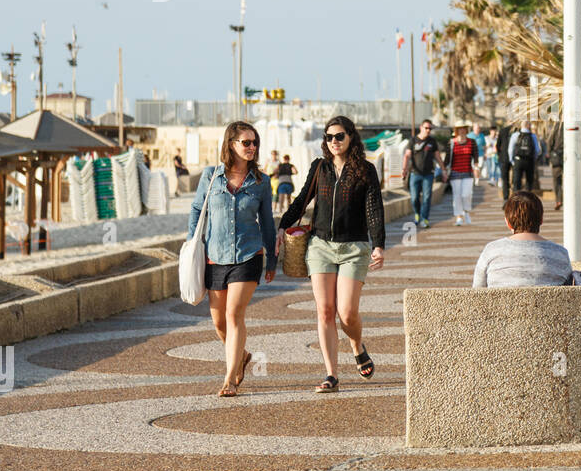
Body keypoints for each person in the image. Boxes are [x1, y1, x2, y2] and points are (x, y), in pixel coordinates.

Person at [279, 116, 386, 392]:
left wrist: (378, 244)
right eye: (329, 137)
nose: (334, 142)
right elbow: (302, 200)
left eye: (339, 136)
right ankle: (331, 375)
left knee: (347, 313)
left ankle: (356, 344)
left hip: (353, 247)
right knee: (325, 310)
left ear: (351, 137)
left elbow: (374, 209)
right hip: (320, 246)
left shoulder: (365, 170)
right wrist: (282, 226)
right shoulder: (320, 168)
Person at [187, 121, 277, 397]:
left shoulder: (261, 183)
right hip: (214, 255)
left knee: (234, 314)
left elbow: (268, 224)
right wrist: (192, 243)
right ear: (231, 144)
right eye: (245, 142)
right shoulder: (211, 176)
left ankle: (230, 379)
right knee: (218, 322)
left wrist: (272, 260)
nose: (251, 147)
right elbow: (196, 209)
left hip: (248, 254)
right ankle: (242, 356)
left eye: (254, 143)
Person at [473, 191, 573, 288]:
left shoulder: (491, 251)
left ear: (508, 223)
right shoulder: (561, 254)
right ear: (541, 219)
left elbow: (477, 291)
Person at [402, 119, 444, 229]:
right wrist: (404, 169)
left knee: (426, 197)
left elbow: (437, 156)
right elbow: (407, 155)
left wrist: (443, 169)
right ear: (421, 127)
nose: (428, 130)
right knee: (414, 197)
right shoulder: (413, 140)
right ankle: (417, 213)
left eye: (430, 128)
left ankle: (425, 218)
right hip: (415, 173)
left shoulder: (432, 141)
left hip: (428, 174)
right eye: (426, 128)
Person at [448, 123, 479, 225]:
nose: (462, 130)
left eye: (463, 129)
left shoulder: (472, 142)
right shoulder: (452, 142)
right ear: (456, 131)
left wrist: (476, 167)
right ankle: (459, 217)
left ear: (466, 130)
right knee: (457, 196)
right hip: (455, 172)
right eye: (459, 129)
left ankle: (466, 212)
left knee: (466, 194)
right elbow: (447, 158)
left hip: (467, 172)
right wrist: (444, 170)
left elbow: (475, 156)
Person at [508, 122, 542, 193]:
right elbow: (537, 150)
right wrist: (534, 159)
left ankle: (516, 198)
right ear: (528, 126)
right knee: (529, 181)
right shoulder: (533, 136)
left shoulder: (515, 135)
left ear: (521, 126)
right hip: (529, 160)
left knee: (517, 181)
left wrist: (512, 160)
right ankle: (528, 197)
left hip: (518, 160)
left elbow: (510, 149)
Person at [547, 125, 565, 210]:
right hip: (570, 157)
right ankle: (565, 199)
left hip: (557, 158)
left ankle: (559, 200)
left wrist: (550, 155)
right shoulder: (573, 124)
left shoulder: (556, 128)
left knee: (557, 180)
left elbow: (549, 143)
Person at [496, 123, 514, 197]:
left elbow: (497, 145)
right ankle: (515, 197)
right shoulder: (517, 130)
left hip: (504, 157)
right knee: (516, 179)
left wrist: (500, 154)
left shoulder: (502, 130)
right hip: (515, 158)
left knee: (505, 179)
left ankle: (505, 198)